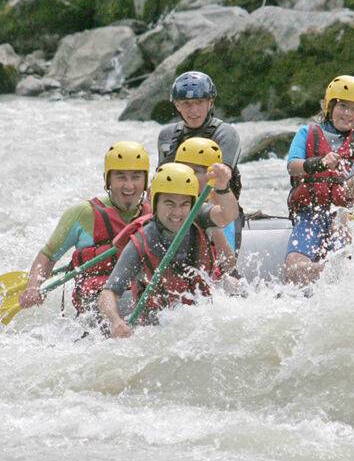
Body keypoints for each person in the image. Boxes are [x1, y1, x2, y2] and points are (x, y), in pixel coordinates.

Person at [97, 162, 239, 338]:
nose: (177, 212)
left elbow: (228, 215)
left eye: (184, 204)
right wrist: (115, 322)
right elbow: (109, 292)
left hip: (203, 320)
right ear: (156, 203)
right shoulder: (141, 241)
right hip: (158, 331)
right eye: (169, 204)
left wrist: (223, 187)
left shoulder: (198, 215)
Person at [19, 141, 150, 317]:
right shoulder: (82, 213)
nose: (128, 185)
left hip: (139, 295)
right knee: (128, 302)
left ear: (145, 181)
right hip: (96, 302)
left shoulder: (157, 214)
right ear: (108, 180)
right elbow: (48, 256)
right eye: (120, 177)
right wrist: (33, 287)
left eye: (135, 177)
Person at [284, 75, 354, 285]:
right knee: (294, 271)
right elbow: (293, 166)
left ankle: (338, 269)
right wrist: (319, 164)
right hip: (311, 213)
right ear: (329, 106)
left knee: (344, 219)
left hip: (348, 217)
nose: (348, 114)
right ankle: (327, 271)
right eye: (343, 106)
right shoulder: (307, 132)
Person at [156, 71, 243, 250]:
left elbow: (222, 177)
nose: (193, 110)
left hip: (219, 210)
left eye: (199, 102)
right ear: (177, 105)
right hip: (178, 210)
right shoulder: (167, 136)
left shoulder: (225, 134)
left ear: (210, 102)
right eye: (186, 104)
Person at [174, 137, 237, 274]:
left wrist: (212, 227)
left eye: (197, 171)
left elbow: (228, 264)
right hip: (177, 274)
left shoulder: (219, 208)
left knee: (233, 283)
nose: (189, 176)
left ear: (211, 176)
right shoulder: (162, 199)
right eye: (185, 169)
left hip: (209, 276)